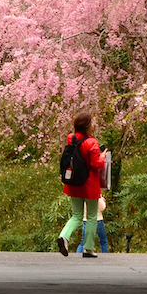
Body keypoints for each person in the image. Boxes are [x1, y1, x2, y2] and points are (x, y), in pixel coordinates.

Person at [57, 111, 106, 258]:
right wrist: (103, 157)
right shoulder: (92, 143)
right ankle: (88, 248)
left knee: (77, 215)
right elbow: (96, 164)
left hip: (74, 182)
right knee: (91, 216)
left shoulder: (71, 138)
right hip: (89, 184)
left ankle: (64, 236)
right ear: (88, 126)